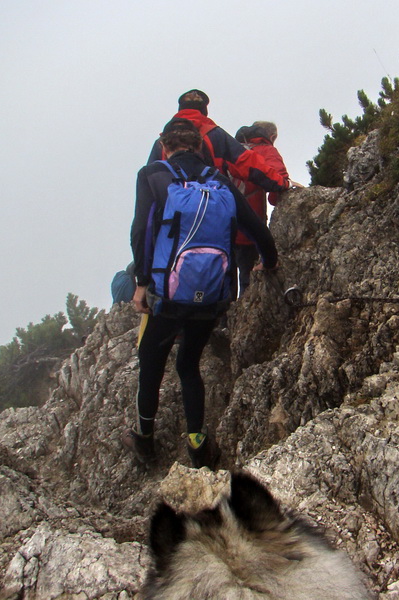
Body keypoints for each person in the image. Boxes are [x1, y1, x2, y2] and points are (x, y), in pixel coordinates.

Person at [125, 118, 278, 469]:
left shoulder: (152, 174)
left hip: (167, 296)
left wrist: (142, 284)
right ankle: (197, 444)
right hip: (212, 297)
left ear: (165, 148)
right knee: (188, 364)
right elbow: (258, 232)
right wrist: (268, 263)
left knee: (151, 364)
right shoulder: (219, 181)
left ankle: (145, 441)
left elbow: (140, 232)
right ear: (199, 148)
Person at [147, 90, 289, 195]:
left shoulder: (161, 142)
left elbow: (149, 185)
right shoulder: (215, 135)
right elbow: (247, 163)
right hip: (211, 212)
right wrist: (282, 183)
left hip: (169, 220)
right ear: (204, 111)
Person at [231, 121, 289, 297]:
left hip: (221, 225)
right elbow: (278, 182)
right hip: (249, 229)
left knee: (223, 278)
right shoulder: (266, 150)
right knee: (247, 279)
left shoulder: (232, 148)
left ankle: (222, 321)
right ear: (271, 137)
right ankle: (240, 318)